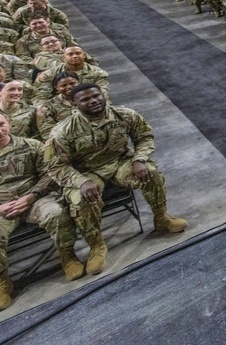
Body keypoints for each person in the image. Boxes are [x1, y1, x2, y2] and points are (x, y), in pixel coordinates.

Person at [45, 85, 187, 276]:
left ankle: (161, 218)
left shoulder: (124, 115)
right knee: (80, 199)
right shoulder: (62, 132)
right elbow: (56, 166)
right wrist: (81, 182)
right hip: (86, 172)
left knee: (151, 172)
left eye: (96, 96)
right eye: (85, 100)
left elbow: (144, 137)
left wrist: (139, 159)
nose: (93, 101)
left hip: (120, 163)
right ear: (74, 103)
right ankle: (96, 245)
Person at [0, 112, 84, 310]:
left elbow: (49, 174)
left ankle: (68, 257)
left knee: (55, 212)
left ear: (8, 123)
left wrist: (31, 197)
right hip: (2, 208)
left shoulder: (31, 145)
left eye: (1, 124)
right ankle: (3, 282)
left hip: (33, 199)